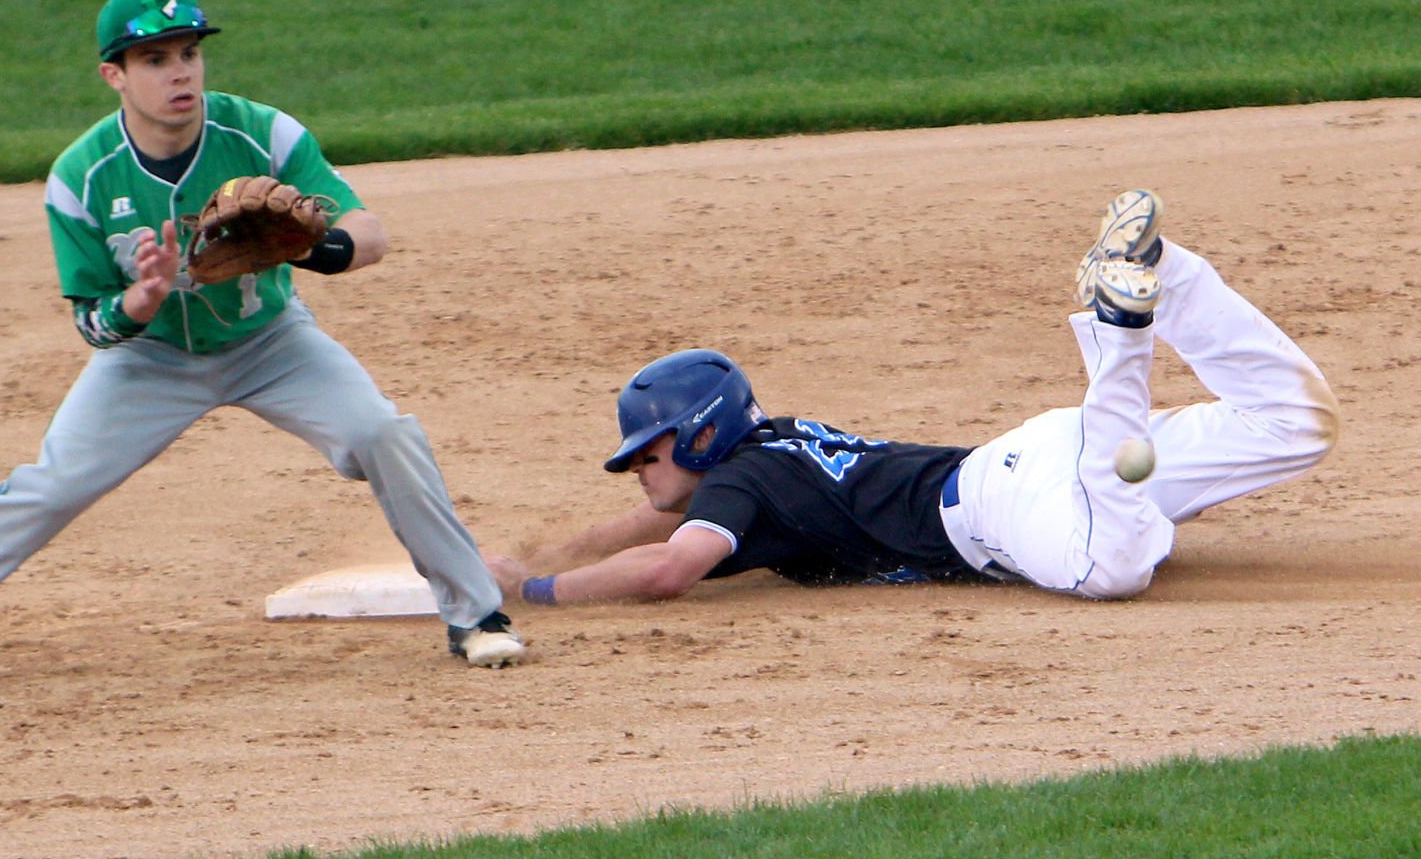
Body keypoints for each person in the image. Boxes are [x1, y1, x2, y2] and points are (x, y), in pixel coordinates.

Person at [0, 0, 525, 695]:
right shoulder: (81, 177)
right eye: (154, 59)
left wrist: (310, 249)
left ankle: (477, 616)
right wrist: (139, 300)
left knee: (383, 433)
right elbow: (92, 324)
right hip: (147, 360)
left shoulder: (264, 133)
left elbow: (369, 232)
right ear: (115, 75)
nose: (180, 72)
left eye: (188, 53)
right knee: (51, 486)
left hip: (272, 343)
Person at [485, 191, 1339, 606]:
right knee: (1295, 425)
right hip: (1046, 461)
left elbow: (671, 565)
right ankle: (1168, 272)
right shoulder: (765, 454)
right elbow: (653, 526)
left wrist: (539, 597)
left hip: (1017, 503)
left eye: (651, 448)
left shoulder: (741, 485)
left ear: (702, 438)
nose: (637, 467)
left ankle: (1121, 330)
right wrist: (542, 557)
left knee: (1106, 572)